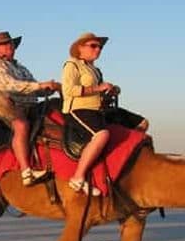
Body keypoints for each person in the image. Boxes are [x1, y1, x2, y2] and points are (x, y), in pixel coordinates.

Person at [61, 32, 147, 196]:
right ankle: (78, 177)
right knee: (102, 135)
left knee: (141, 123)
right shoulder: (72, 65)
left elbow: (98, 92)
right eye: (93, 46)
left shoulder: (95, 70)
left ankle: (128, 168)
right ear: (80, 48)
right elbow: (68, 90)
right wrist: (98, 88)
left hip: (99, 109)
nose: (98, 49)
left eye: (100, 47)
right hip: (78, 109)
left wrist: (110, 91)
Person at [0, 31, 59, 186]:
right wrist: (39, 85)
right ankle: (26, 171)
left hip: (30, 106)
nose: (9, 46)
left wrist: (49, 88)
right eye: (4, 44)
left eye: (10, 43)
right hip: (7, 107)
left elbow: (34, 88)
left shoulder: (22, 68)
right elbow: (9, 85)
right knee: (21, 125)